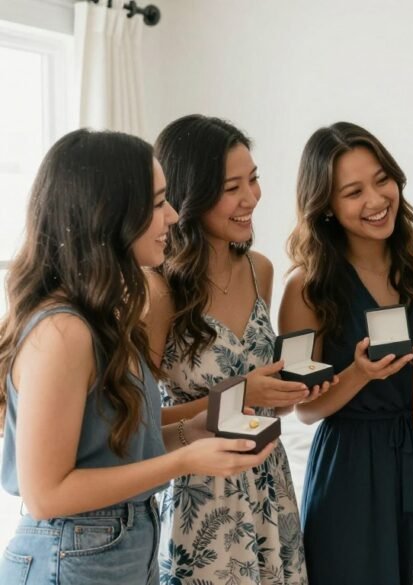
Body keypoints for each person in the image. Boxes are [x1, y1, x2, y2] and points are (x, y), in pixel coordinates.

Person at [0, 129, 272, 585]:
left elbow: (113, 451)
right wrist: (184, 461)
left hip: (119, 549)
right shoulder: (63, 331)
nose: (171, 216)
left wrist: (193, 430)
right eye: (159, 202)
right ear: (111, 214)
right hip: (72, 559)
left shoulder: (102, 317)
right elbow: (46, 493)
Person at [147, 115, 319, 584]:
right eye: (231, 187)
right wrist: (240, 392)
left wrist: (283, 392)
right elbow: (140, 420)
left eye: (254, 179)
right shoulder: (158, 289)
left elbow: (260, 401)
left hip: (269, 483)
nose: (251, 198)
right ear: (190, 196)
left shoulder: (259, 269)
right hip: (200, 492)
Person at [279, 122, 413, 585]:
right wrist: (358, 374)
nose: (376, 201)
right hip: (352, 468)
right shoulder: (307, 287)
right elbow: (305, 408)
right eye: (353, 192)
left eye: (382, 180)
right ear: (328, 207)